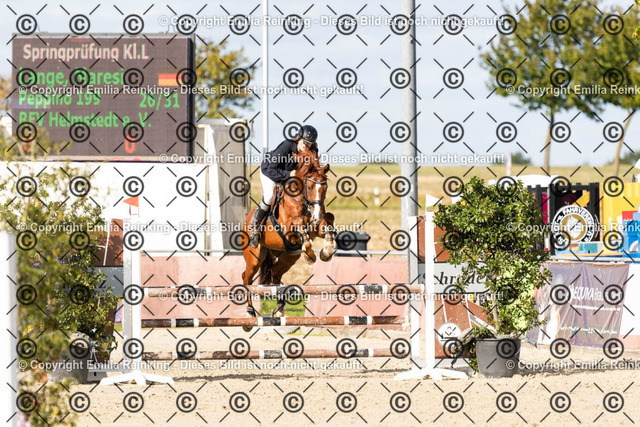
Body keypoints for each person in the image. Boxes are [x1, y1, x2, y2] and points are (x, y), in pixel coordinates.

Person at [248, 125, 318, 248]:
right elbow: (271, 169)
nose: (307, 146)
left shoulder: (312, 151)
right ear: (298, 139)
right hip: (270, 171)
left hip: (292, 176)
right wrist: (289, 175)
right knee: (269, 196)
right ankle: (255, 228)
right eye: (304, 142)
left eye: (310, 144)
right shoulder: (287, 146)